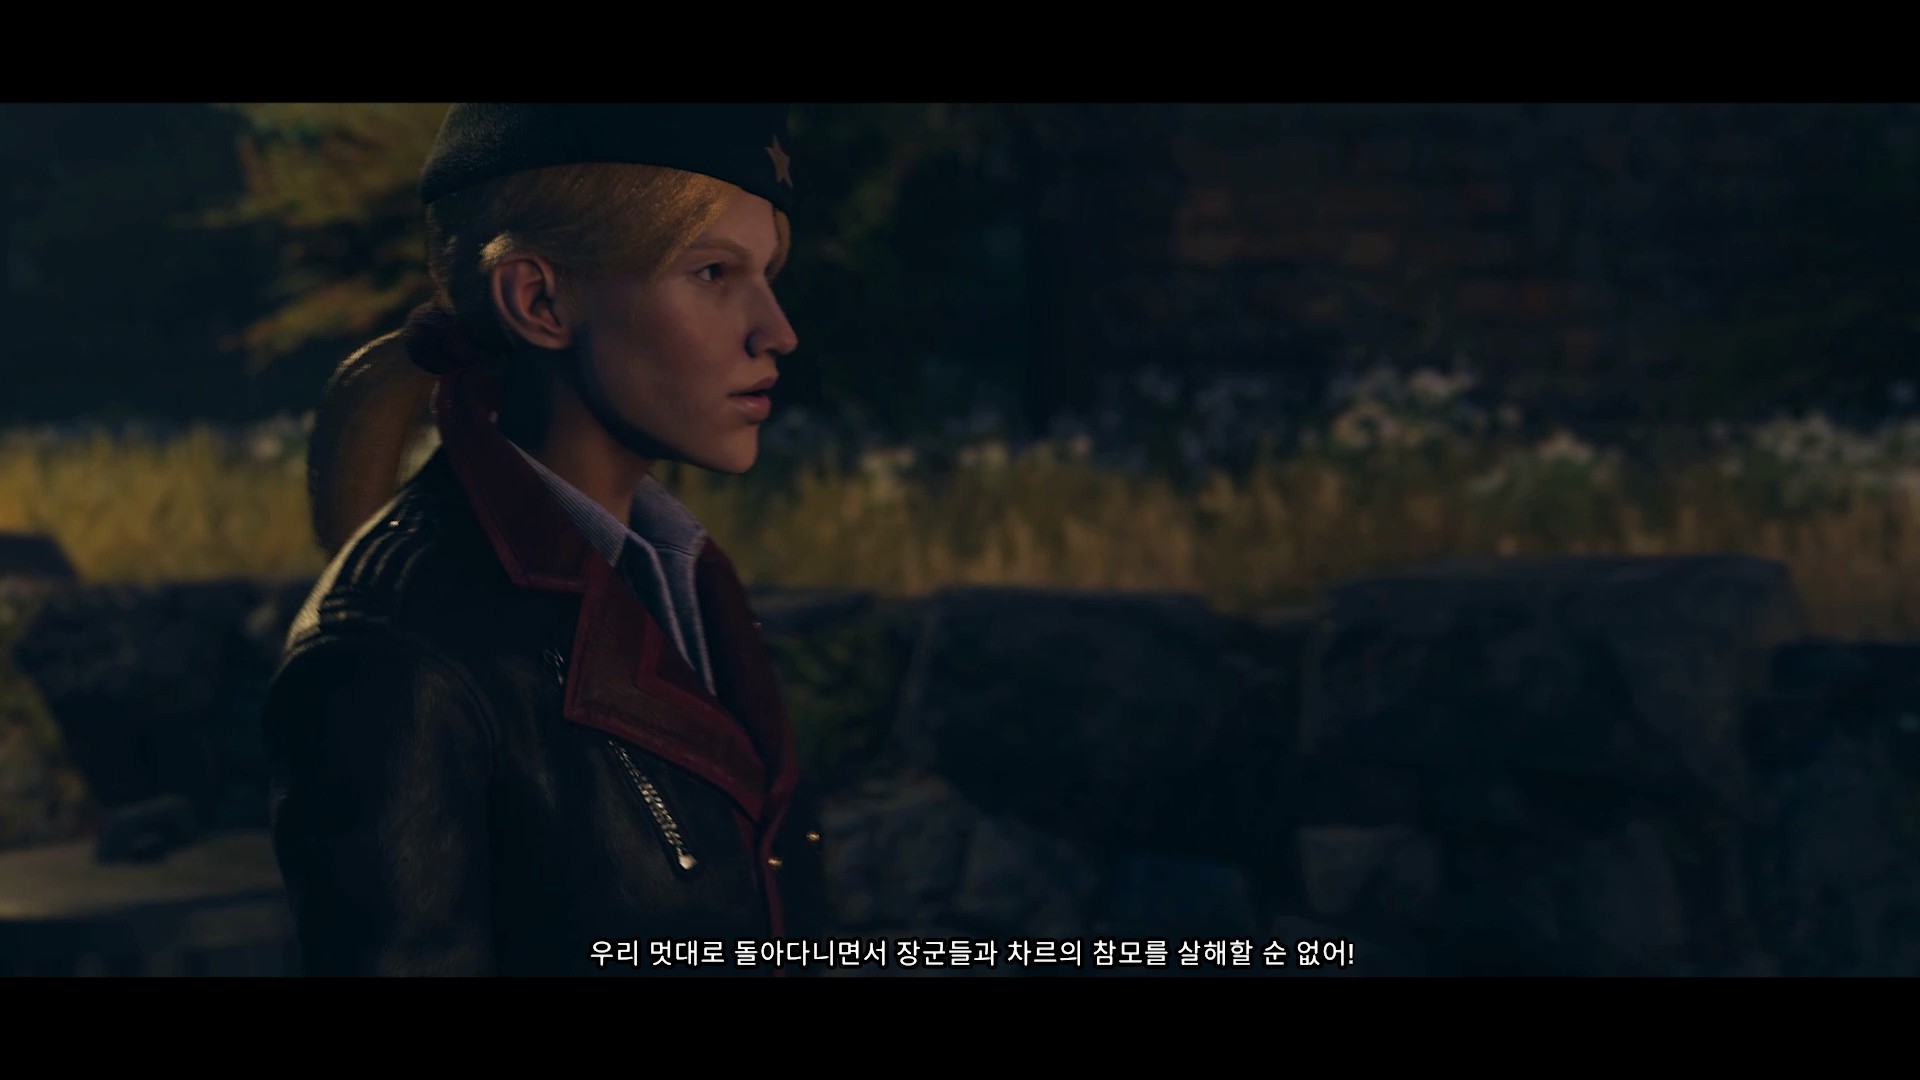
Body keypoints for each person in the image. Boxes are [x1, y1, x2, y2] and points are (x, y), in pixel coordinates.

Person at [261, 103, 825, 976]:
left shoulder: (681, 577)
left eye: (767, 273)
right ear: (538, 300)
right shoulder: (395, 648)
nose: (776, 331)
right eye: (713, 271)